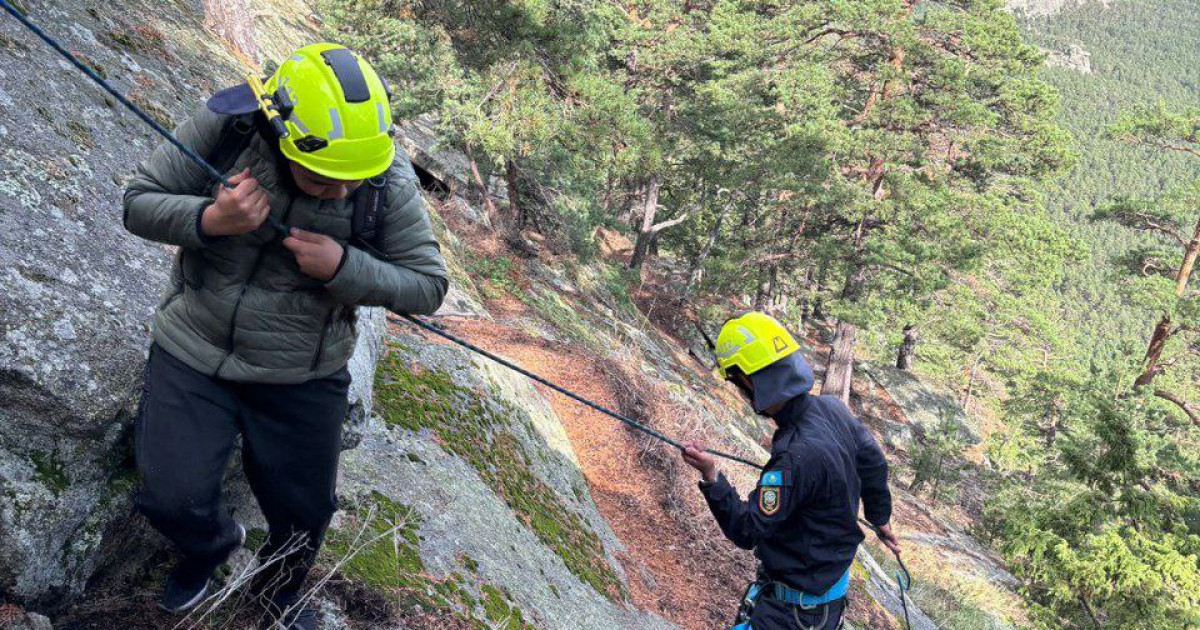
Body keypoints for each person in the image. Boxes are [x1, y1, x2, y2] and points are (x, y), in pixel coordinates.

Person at [122, 43, 447, 629]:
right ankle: (210, 547)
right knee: (171, 497)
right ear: (282, 132)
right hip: (194, 348)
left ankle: (277, 594)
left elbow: (427, 286)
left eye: (352, 180)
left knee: (305, 514)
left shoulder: (383, 174)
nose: (342, 192)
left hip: (304, 370)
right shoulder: (228, 127)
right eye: (324, 179)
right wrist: (211, 220)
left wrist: (344, 266)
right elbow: (138, 203)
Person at [680, 312, 899, 630]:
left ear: (749, 380)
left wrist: (712, 476)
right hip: (827, 602)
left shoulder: (795, 457)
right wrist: (880, 517)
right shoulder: (833, 408)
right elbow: (873, 463)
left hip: (791, 616)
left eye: (736, 381)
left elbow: (747, 529)